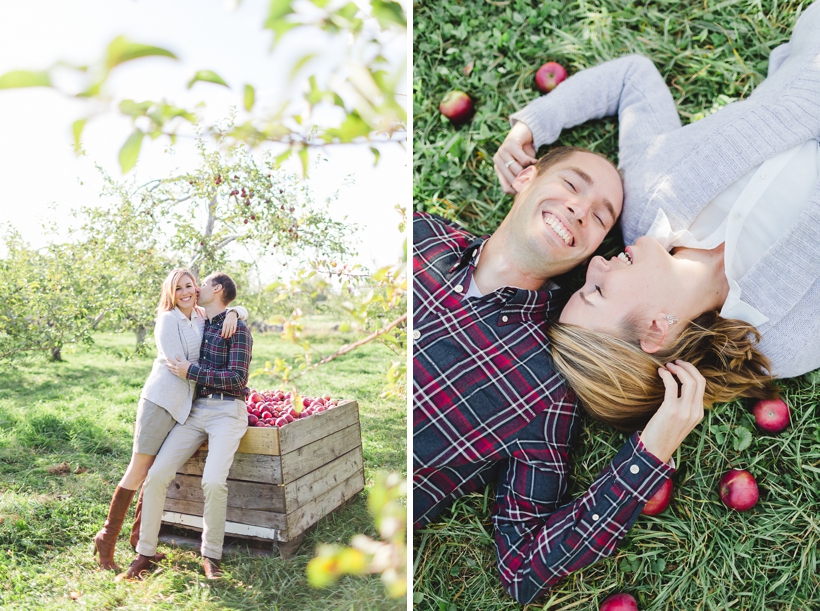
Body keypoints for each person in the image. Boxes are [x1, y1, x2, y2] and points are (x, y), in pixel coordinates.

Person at [413, 145, 721, 604]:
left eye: (601, 218)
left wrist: (650, 452)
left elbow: (521, 569)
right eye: (572, 184)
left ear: (596, 252)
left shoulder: (548, 388)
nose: (580, 210)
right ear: (525, 179)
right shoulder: (419, 232)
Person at [494, 3, 820, 428]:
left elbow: (633, 79)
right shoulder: (786, 341)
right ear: (654, 332)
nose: (594, 264)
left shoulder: (650, 195)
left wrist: (532, 126)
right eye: (596, 291)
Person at [93, 268, 246, 572]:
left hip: (184, 408)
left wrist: (235, 313)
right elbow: (180, 361)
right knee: (139, 471)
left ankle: (140, 543)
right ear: (171, 293)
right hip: (162, 402)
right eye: (180, 289)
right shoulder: (169, 319)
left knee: (155, 471)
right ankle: (106, 538)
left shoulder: (200, 314)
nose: (188, 292)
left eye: (191, 285)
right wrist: (219, 335)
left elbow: (224, 305)